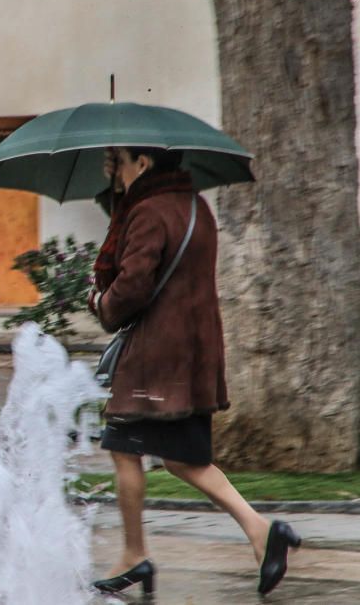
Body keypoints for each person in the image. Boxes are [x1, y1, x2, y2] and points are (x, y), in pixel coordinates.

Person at [87, 146, 300, 598]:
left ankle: (134, 555)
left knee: (124, 447)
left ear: (142, 163)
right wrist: (116, 190)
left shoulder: (147, 212)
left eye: (118, 161)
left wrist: (101, 304)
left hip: (155, 356)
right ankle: (261, 531)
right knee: (186, 459)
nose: (114, 169)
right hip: (195, 354)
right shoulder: (195, 205)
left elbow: (132, 286)